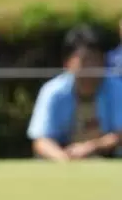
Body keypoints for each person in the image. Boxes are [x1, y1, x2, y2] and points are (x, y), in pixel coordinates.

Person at [28, 25, 122, 161]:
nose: (92, 66)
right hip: (62, 156)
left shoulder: (117, 88)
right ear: (67, 63)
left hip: (109, 157)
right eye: (85, 60)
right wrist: (62, 158)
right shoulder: (52, 91)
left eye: (97, 59)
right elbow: (41, 139)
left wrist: (90, 147)